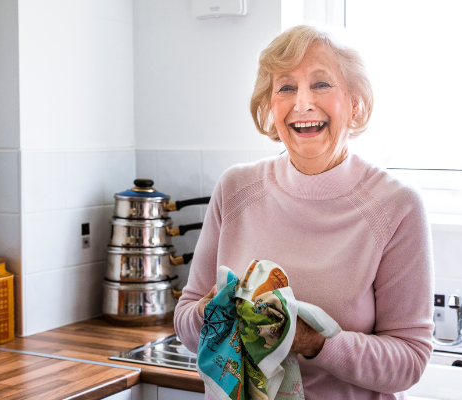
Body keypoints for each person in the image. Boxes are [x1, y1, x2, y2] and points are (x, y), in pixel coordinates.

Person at [174, 25, 434, 399]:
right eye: (286, 88)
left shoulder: (397, 206)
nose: (302, 104)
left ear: (356, 101)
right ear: (269, 106)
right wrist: (211, 310)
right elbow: (185, 322)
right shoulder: (235, 189)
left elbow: (409, 360)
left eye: (322, 84)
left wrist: (312, 342)